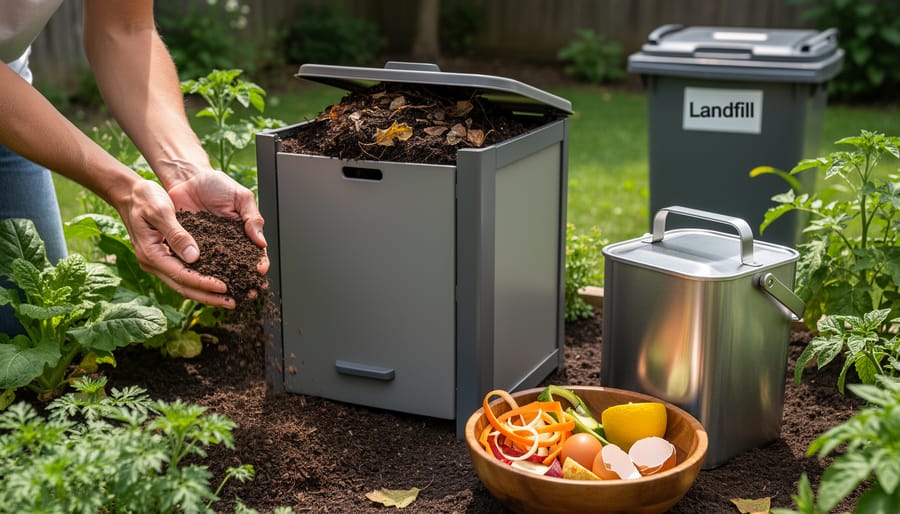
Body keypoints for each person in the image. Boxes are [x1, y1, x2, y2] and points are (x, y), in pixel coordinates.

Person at [1, 1, 268, 334]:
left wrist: (187, 170)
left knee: (30, 328)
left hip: (12, 99)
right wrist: (123, 187)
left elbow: (124, 29)